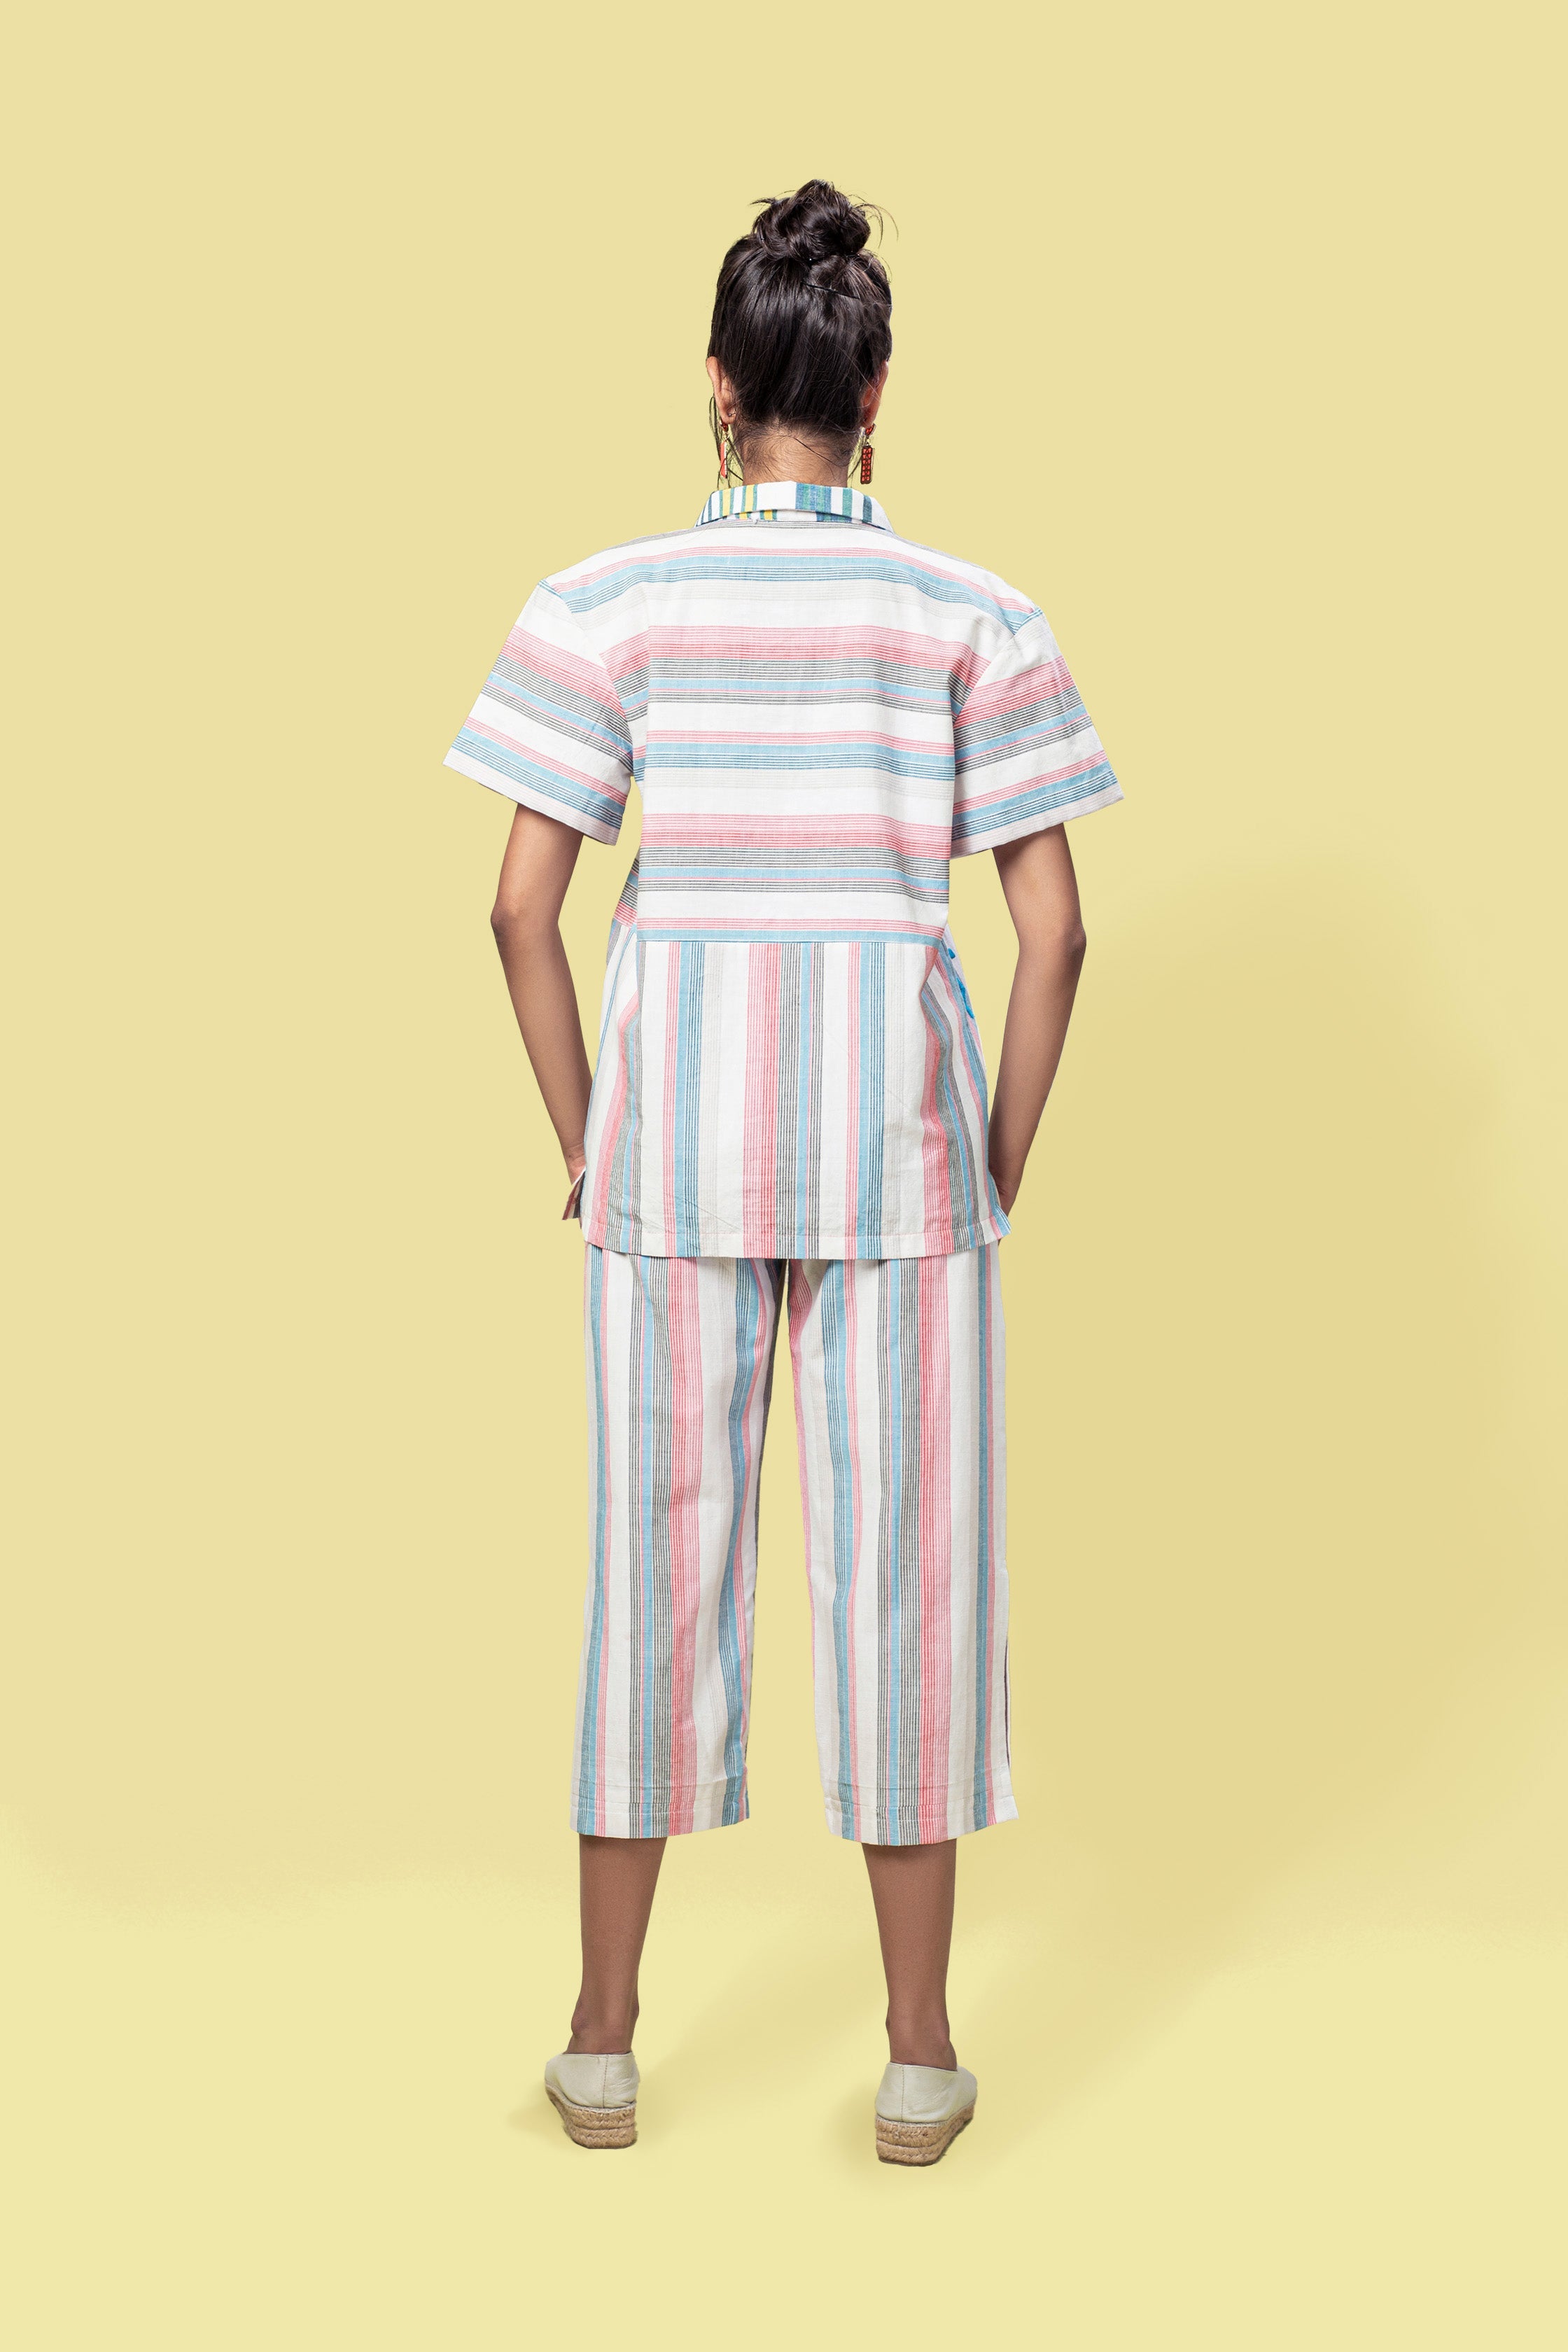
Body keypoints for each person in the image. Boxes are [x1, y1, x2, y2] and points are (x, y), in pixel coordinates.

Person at [444, 179, 1120, 2164]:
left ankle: (600, 2042)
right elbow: (1058, 935)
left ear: (720, 390)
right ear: (875, 393)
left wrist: (594, 1143)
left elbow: (518, 912)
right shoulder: (974, 615)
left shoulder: (604, 605)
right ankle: (918, 2054)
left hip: (673, 1149)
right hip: (898, 1159)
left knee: (647, 1573)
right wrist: (988, 1163)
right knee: (914, 1587)